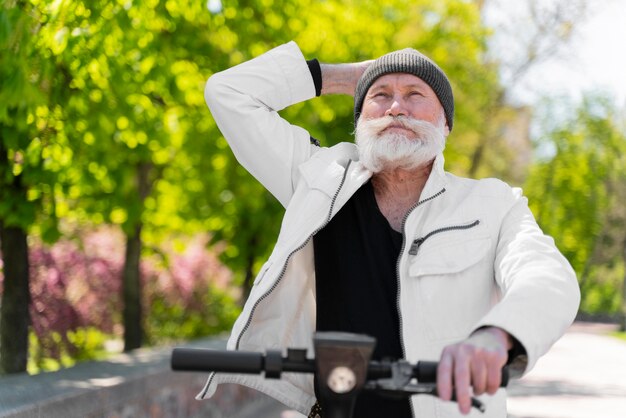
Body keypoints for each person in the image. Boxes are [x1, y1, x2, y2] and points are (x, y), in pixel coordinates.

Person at [197, 41, 580, 417]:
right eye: (380, 96)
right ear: (360, 121)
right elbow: (227, 93)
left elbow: (546, 276)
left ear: (445, 123)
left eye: (415, 94)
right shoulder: (316, 181)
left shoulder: (493, 203)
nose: (396, 107)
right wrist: (347, 77)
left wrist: (497, 336)